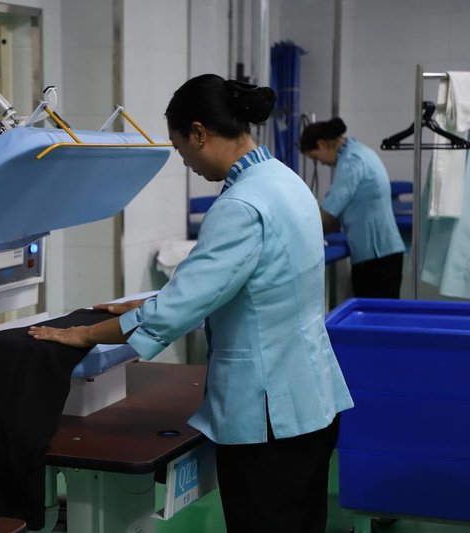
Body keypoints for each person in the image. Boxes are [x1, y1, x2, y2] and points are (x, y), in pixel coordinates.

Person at [28, 74, 354, 533]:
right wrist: (154, 300)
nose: (185, 161)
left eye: (181, 148)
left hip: (268, 417)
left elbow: (177, 311)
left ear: (199, 133)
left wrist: (84, 335)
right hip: (312, 400)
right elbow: (245, 280)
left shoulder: (240, 204)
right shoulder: (285, 180)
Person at [300, 118, 406, 298]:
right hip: (384, 255)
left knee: (373, 313)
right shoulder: (360, 151)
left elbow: (329, 211)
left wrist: (299, 237)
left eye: (316, 158)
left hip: (377, 260)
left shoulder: (351, 161)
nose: (321, 164)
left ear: (323, 144)